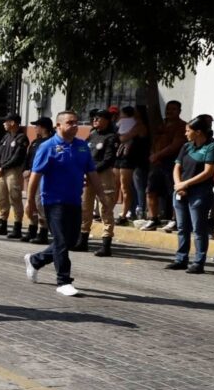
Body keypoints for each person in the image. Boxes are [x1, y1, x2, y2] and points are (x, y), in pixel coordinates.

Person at [22, 111, 105, 296]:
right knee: (60, 240)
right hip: (53, 201)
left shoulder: (82, 147)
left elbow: (92, 173)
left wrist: (102, 197)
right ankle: (63, 281)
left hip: (74, 200)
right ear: (58, 126)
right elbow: (35, 176)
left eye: (76, 122)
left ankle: (36, 260)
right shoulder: (47, 147)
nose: (75, 125)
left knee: (70, 240)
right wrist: (30, 202)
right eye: (70, 122)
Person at [165, 115, 214, 274]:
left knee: (198, 228)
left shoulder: (211, 147)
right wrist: (178, 184)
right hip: (181, 191)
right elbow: (177, 167)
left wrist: (186, 184)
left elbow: (208, 172)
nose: (186, 133)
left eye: (188, 131)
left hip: (199, 193)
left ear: (198, 132)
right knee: (182, 227)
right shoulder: (187, 146)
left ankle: (198, 261)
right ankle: (181, 258)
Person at [75, 109, 120, 256]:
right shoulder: (92, 135)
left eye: (99, 118)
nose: (95, 120)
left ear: (107, 120)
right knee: (85, 208)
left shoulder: (112, 137)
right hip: (89, 175)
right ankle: (83, 241)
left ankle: (106, 244)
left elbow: (108, 160)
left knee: (105, 209)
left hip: (103, 176)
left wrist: (91, 171)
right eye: (94, 118)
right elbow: (83, 153)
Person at [141, 100, 185, 231]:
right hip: (156, 164)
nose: (169, 111)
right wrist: (153, 154)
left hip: (172, 163)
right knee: (150, 191)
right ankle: (153, 219)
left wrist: (158, 155)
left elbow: (175, 145)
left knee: (173, 192)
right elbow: (154, 142)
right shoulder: (161, 125)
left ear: (179, 111)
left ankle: (175, 220)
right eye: (168, 109)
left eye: (173, 109)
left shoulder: (182, 126)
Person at [0, 113, 27, 239]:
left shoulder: (22, 138)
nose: (3, 123)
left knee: (15, 198)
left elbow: (17, 157)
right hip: (2, 171)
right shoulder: (6, 137)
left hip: (13, 171)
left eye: (6, 121)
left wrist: (3, 167)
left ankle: (17, 227)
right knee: (2, 198)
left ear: (13, 123)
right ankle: (2, 224)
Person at [21, 118, 54, 244]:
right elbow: (28, 158)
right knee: (30, 204)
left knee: (40, 204)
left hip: (43, 177)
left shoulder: (51, 142)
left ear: (44, 127)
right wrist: (25, 169)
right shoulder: (35, 142)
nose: (35, 128)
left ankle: (43, 232)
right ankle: (32, 229)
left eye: (37, 126)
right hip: (31, 176)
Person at [114, 105, 147, 225]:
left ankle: (131, 212)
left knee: (128, 187)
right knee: (118, 186)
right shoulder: (125, 123)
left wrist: (119, 137)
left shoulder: (139, 126)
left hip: (132, 159)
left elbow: (123, 138)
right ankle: (127, 211)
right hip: (122, 157)